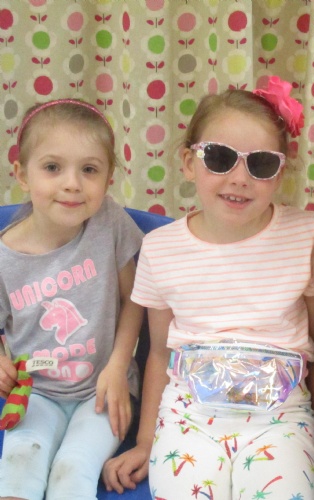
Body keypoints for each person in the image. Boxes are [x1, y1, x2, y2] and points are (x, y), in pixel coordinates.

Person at [102, 76, 314, 499]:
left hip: (282, 417)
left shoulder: (307, 235)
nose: (240, 178)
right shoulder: (160, 248)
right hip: (188, 416)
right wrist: (146, 443)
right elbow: (159, 353)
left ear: (280, 173)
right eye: (220, 158)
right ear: (189, 162)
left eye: (261, 164)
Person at [0, 99, 144, 499]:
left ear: (108, 178)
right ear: (22, 174)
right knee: (19, 469)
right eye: (52, 167)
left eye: (89, 170)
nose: (72, 183)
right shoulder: (4, 257)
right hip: (36, 392)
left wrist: (118, 366)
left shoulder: (108, 222)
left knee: (74, 469)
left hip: (103, 389)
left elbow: (135, 299)